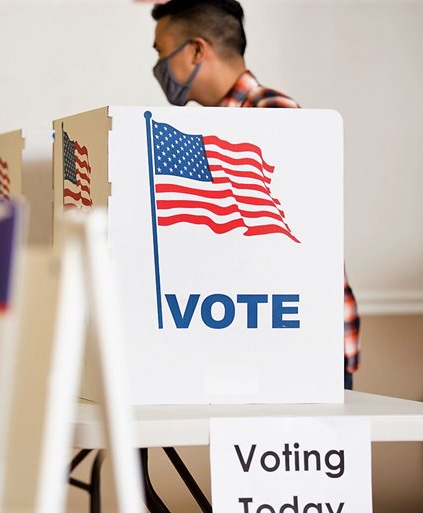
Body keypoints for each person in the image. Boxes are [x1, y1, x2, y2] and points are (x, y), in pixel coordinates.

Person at [150, 0, 361, 389]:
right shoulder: (213, 126)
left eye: (161, 52)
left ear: (197, 50)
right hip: (262, 339)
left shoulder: (270, 112)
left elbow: (289, 242)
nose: (158, 66)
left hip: (301, 344)